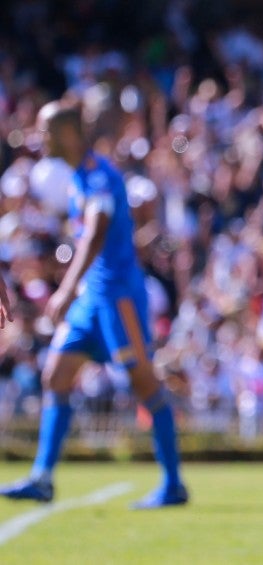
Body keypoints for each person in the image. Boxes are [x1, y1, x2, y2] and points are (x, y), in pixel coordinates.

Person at [0, 101, 188, 509]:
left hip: (118, 297)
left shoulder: (99, 175)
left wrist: (65, 289)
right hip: (92, 298)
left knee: (144, 384)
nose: (38, 139)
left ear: (66, 133)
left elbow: (95, 235)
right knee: (56, 375)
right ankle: (42, 477)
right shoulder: (78, 178)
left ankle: (173, 483)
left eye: (44, 131)